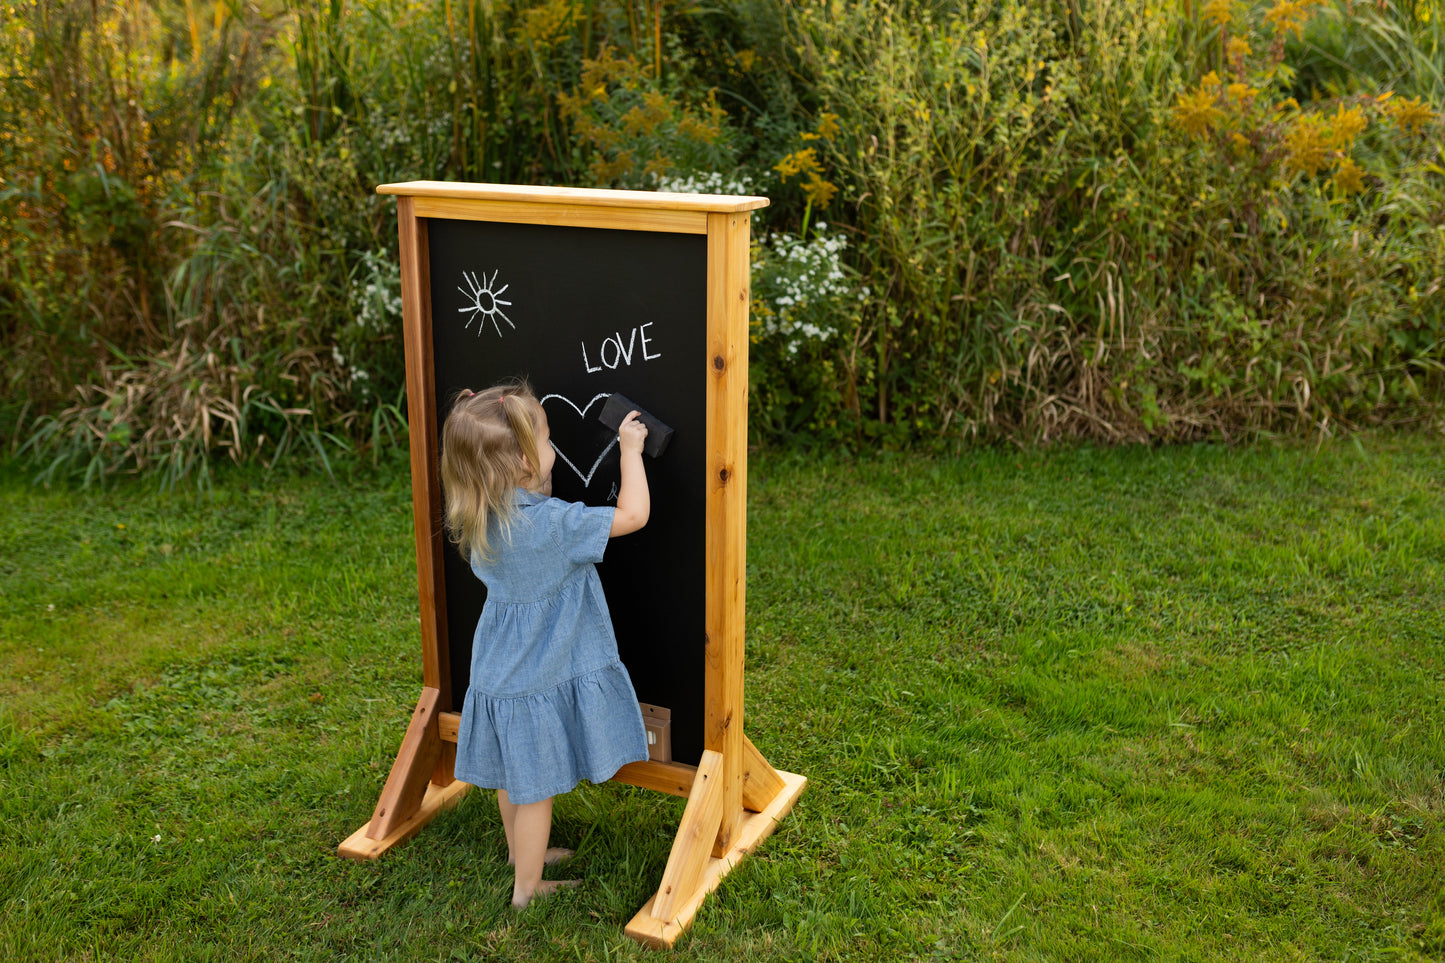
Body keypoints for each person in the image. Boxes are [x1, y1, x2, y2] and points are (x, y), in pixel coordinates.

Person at [439, 380, 651, 909]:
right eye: (549, 439)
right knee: (536, 791)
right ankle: (527, 890)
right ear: (524, 463)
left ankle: (520, 855)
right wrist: (630, 451)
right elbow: (634, 516)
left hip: (497, 671)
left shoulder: (479, 514)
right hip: (538, 673)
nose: (557, 448)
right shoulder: (553, 525)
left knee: (513, 777)